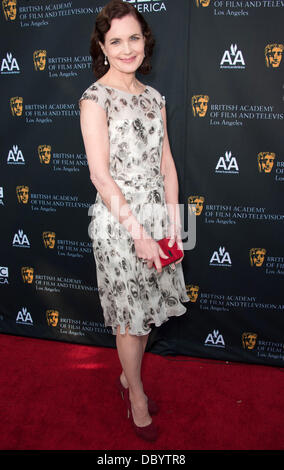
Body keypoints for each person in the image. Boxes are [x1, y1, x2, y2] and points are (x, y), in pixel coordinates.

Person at [79, 0, 189, 442]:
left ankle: (129, 377)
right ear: (103, 48)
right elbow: (100, 175)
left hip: (156, 217)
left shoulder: (155, 98)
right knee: (129, 317)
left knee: (146, 312)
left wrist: (173, 221)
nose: (127, 49)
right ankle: (136, 394)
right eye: (116, 41)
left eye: (134, 38)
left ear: (145, 41)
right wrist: (140, 234)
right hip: (119, 224)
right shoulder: (94, 98)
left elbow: (167, 165)